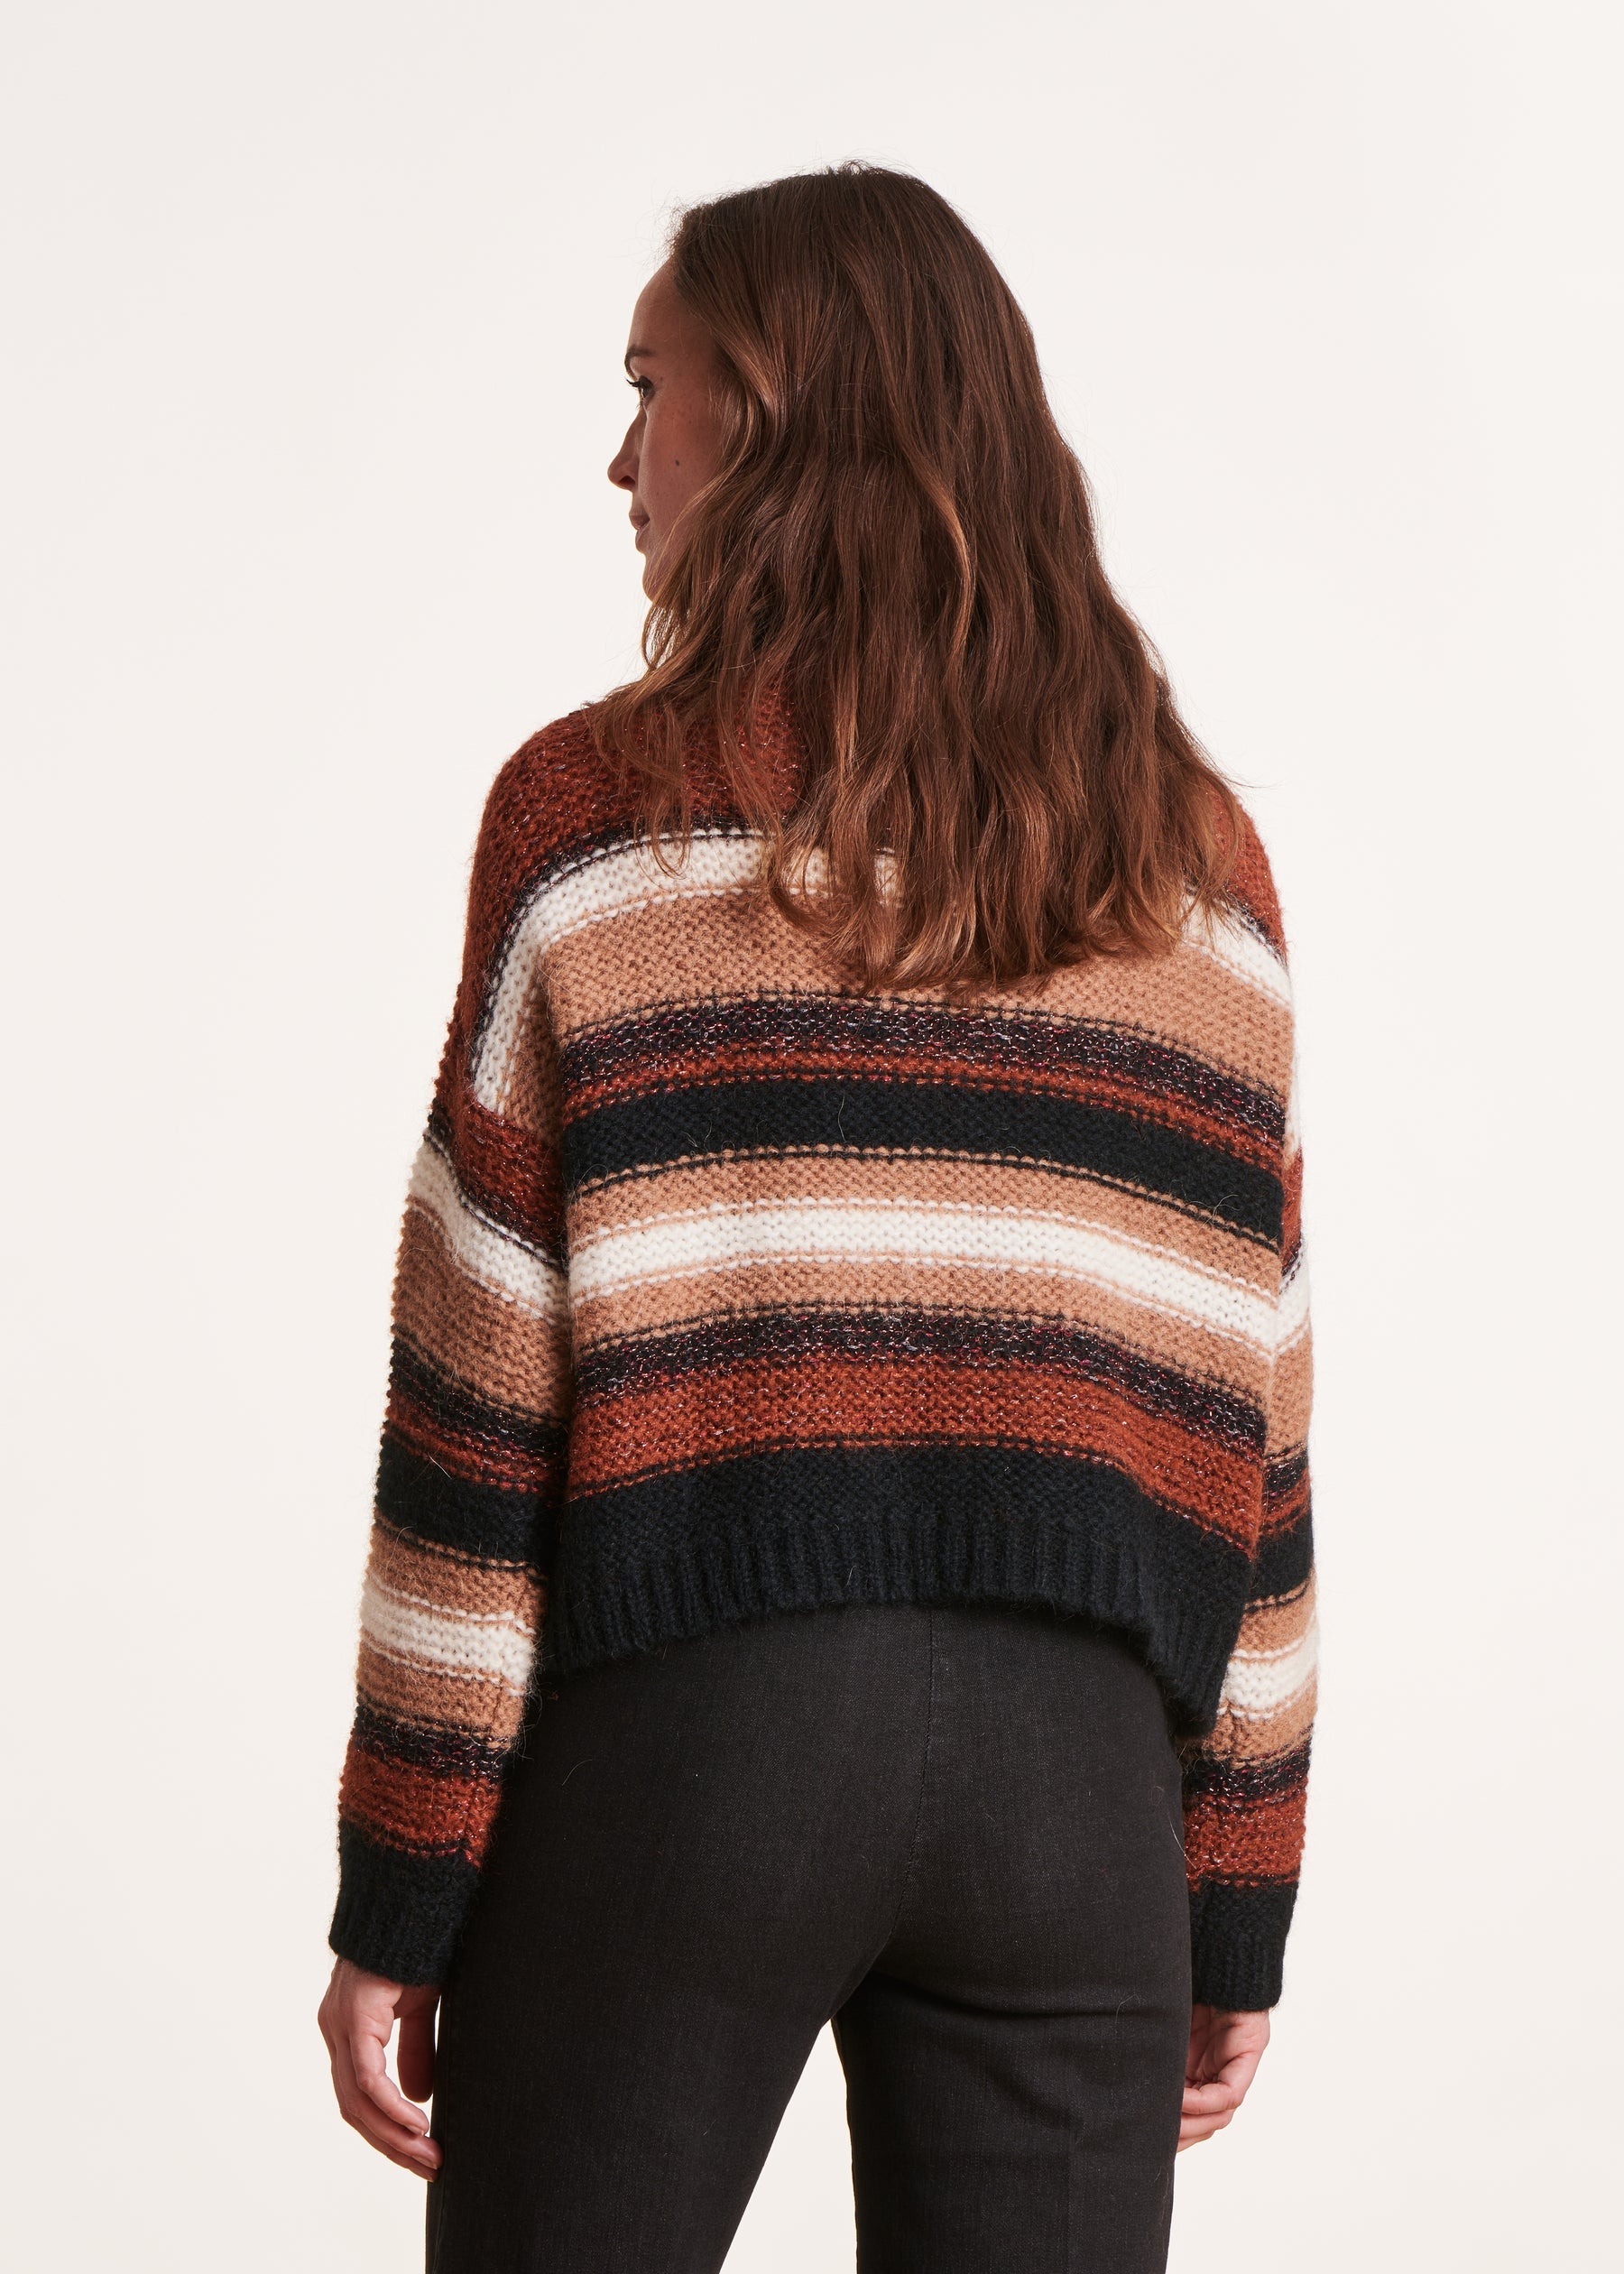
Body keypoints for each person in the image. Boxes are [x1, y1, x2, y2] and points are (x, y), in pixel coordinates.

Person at [318, 162, 1316, 2274]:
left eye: (649, 390)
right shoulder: (1199, 869)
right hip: (1076, 1809)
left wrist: (405, 1873)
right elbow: (1254, 1427)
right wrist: (1234, 1888)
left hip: (695, 1751)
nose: (621, 460)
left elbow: (478, 1391)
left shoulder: (595, 821)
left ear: (769, 414)